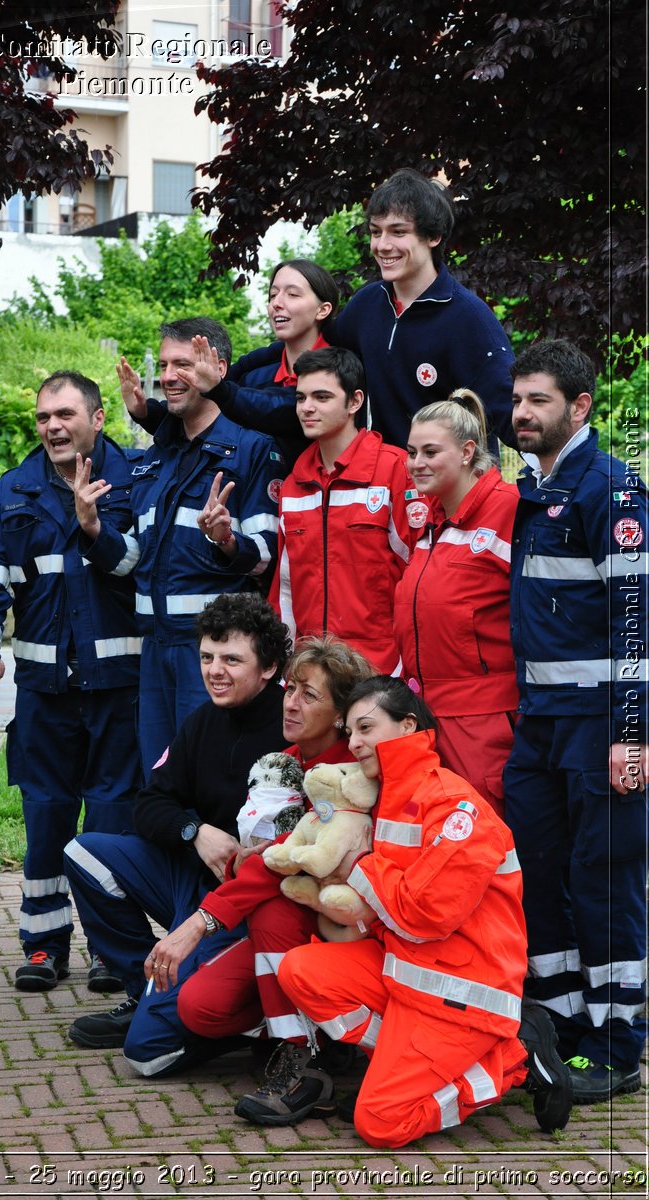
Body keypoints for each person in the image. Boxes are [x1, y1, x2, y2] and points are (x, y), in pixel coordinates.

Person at [276, 677, 573, 1145]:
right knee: (300, 970)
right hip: (410, 972)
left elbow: (426, 912)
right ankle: (413, 1062)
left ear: (408, 725)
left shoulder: (452, 803)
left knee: (380, 1123)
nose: (353, 743)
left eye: (366, 728)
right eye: (349, 731)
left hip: (464, 989)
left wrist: (356, 866)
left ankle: (510, 1060)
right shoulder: (385, 795)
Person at [0, 371, 142, 993]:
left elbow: (134, 565)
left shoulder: (138, 479)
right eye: (43, 418)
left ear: (97, 419)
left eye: (65, 414)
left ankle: (114, 952)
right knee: (46, 819)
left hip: (119, 687)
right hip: (44, 693)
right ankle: (43, 945)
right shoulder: (14, 493)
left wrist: (95, 527)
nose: (54, 427)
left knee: (112, 825)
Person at [62, 593, 290, 1077]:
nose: (214, 670)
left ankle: (248, 1024)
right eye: (207, 657)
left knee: (149, 1055)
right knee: (83, 851)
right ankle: (140, 985)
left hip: (243, 903)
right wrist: (195, 831)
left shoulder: (291, 730)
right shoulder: (202, 720)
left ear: (268, 667)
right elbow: (150, 804)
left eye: (232, 659)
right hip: (189, 878)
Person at [505, 339, 648, 1104]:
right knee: (538, 874)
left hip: (598, 725)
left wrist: (632, 733)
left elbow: (636, 622)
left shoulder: (609, 490)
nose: (521, 413)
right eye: (517, 398)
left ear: (579, 408)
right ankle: (560, 1028)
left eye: (538, 401)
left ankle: (618, 1043)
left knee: (606, 879)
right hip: (539, 724)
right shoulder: (534, 486)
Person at [167, 637, 374, 1122]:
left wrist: (199, 922)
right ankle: (320, 1033)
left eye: (309, 694)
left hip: (349, 932)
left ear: (342, 713)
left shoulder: (350, 773)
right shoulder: (283, 761)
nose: (291, 702)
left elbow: (282, 865)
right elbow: (262, 856)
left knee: (274, 903)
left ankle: (303, 1063)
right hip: (295, 925)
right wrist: (249, 860)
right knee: (200, 1008)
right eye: (290, 688)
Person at [118, 318, 284, 777]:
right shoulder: (158, 454)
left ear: (218, 369)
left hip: (214, 653)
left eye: (184, 365)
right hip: (154, 650)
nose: (169, 376)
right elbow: (138, 552)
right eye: (165, 365)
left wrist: (228, 541)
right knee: (160, 781)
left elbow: (268, 551)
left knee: (212, 784)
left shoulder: (252, 448)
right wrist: (92, 530)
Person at [393, 389, 519, 813]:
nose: (416, 463)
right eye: (411, 452)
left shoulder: (508, 511)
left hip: (483, 722)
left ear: (468, 452)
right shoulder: (431, 520)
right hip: (427, 717)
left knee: (485, 848)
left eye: (430, 451)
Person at [329, 167, 515, 451]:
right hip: (383, 486)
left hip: (454, 489)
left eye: (398, 232)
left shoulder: (469, 318)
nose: (382, 245)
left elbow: (513, 417)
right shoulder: (366, 305)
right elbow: (317, 358)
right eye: (376, 232)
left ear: (433, 236)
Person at [269, 346, 425, 673]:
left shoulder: (395, 470)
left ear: (355, 401)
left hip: (381, 671)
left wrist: (407, 670)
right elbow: (283, 590)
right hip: (310, 671)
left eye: (321, 397)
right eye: (301, 398)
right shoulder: (294, 485)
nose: (307, 408)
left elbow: (422, 577)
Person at [123, 260, 339, 469]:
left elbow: (280, 409)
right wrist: (146, 412)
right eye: (273, 295)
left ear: (323, 309)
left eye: (292, 294)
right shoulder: (258, 372)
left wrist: (221, 391)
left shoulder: (341, 368)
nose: (277, 303)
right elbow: (206, 413)